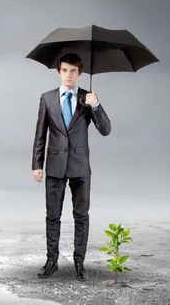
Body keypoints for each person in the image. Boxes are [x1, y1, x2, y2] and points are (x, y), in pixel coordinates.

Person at [31, 52, 111, 280]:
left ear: (80, 73)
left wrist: (96, 106)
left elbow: (106, 130)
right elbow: (40, 134)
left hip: (80, 166)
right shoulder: (47, 98)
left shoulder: (88, 98)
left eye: (73, 71)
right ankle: (51, 260)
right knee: (52, 215)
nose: (68, 75)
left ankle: (79, 262)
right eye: (65, 70)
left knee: (81, 216)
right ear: (59, 71)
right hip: (55, 165)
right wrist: (37, 164)